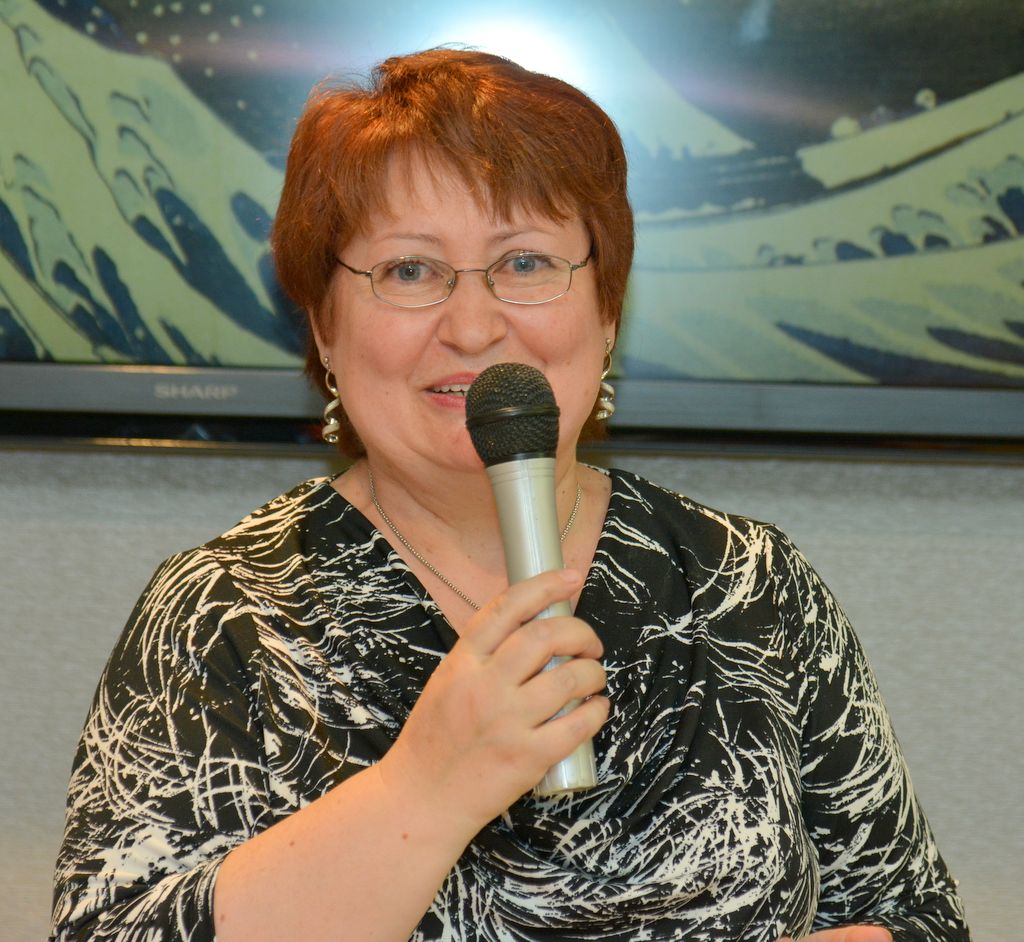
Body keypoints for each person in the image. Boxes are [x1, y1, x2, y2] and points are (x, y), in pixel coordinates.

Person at [51, 49, 970, 942]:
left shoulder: (748, 582)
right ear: (324, 326)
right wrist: (423, 790)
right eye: (410, 270)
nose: (473, 325)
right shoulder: (222, 616)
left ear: (606, 312)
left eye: (525, 263)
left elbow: (916, 913)